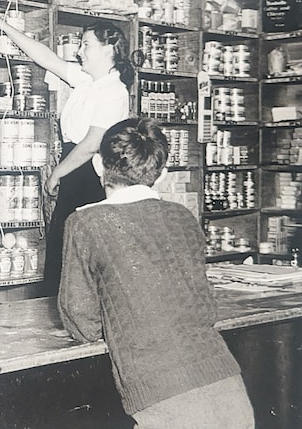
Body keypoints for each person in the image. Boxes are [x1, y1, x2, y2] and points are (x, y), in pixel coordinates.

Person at [58, 117, 255, 428]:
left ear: (97, 165)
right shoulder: (183, 216)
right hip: (226, 383)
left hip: (160, 395)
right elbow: (206, 308)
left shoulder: (84, 222)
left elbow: (81, 322)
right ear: (162, 174)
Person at [0, 5, 132, 295]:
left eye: (86, 45)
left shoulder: (114, 91)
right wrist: (4, 26)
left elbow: (92, 144)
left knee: (77, 250)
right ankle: (58, 307)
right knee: (62, 246)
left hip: (91, 175)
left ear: (108, 49)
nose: (79, 51)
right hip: (75, 167)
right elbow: (46, 57)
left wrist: (57, 174)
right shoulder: (87, 81)